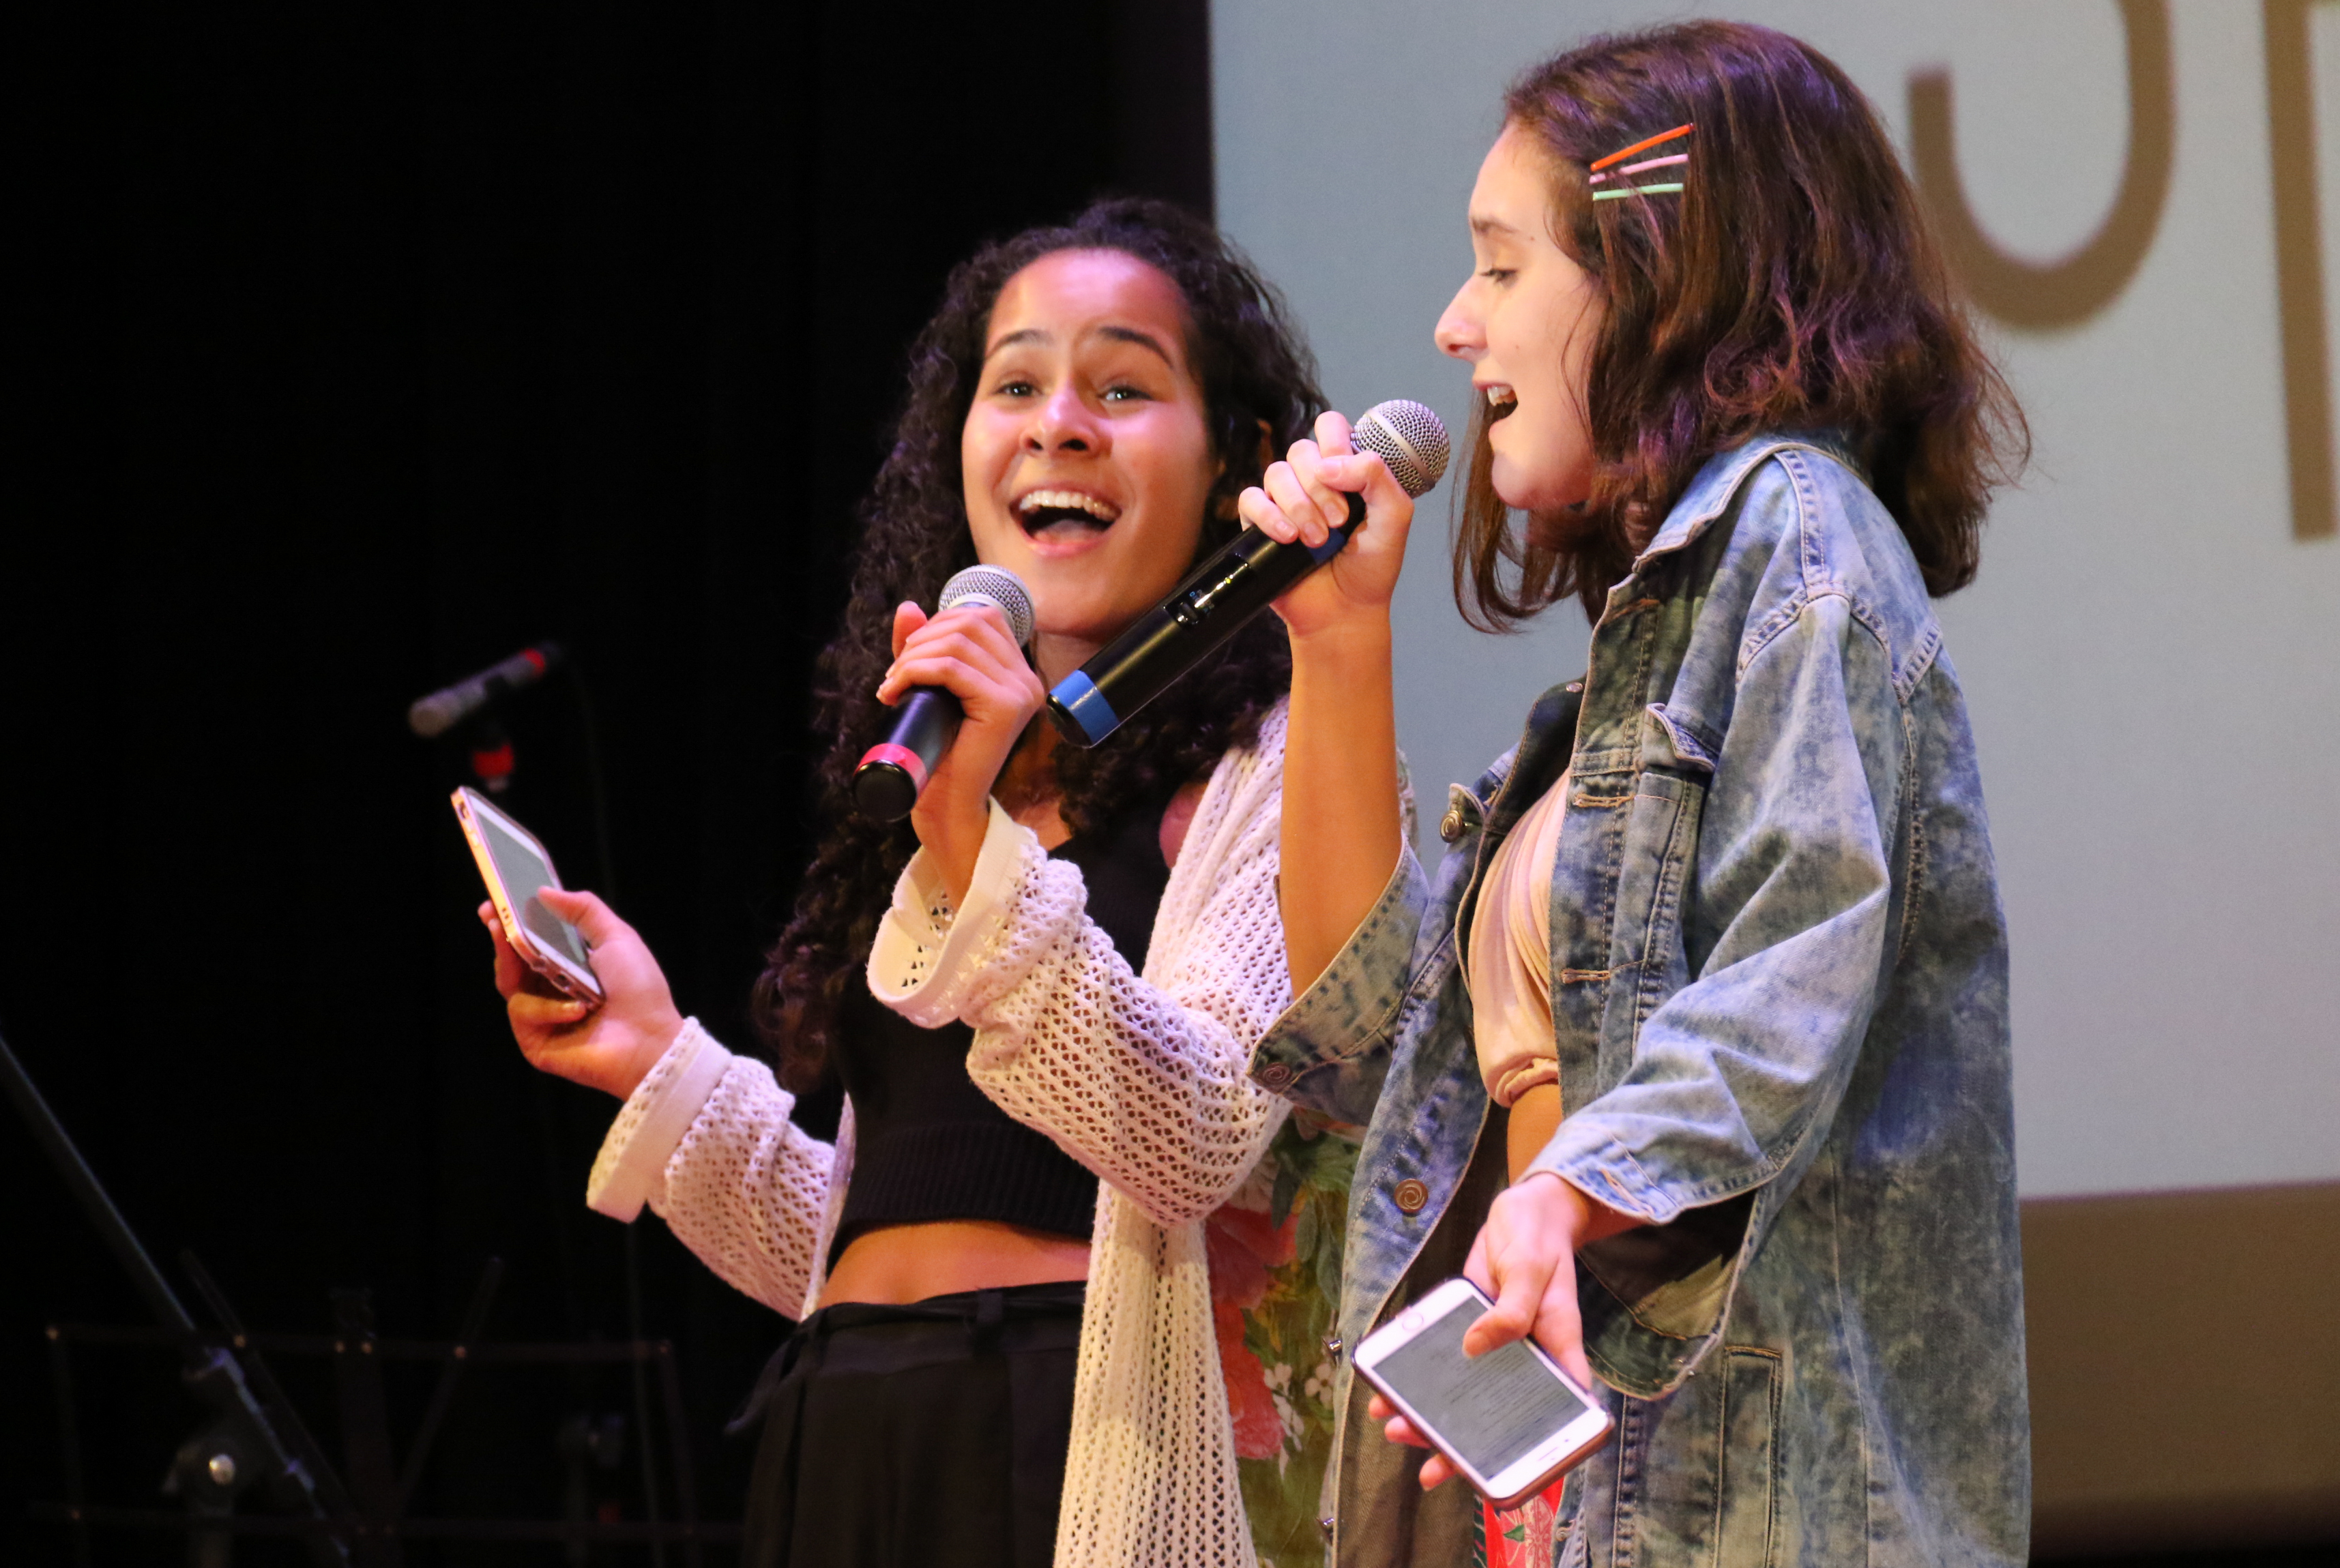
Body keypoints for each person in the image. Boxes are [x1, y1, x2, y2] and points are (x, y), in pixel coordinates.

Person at [1238, 23, 2030, 1568]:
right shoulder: (1607, 697)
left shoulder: (1795, 530)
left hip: (1735, 1507)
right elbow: (1365, 1058)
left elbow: (1792, 969)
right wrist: (1334, 645)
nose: (1454, 325)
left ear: (1662, 278)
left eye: (1501, 265)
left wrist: (1566, 1193)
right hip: (1569, 1498)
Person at [482, 200, 1358, 1567]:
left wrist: (973, 848)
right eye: (1014, 386)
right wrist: (658, 1060)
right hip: (848, 1420)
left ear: (1232, 460)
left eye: (1121, 388)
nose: (1058, 425)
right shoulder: (949, 769)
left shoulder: (1276, 762)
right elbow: (874, 1231)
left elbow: (1186, 1140)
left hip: (1074, 1436)